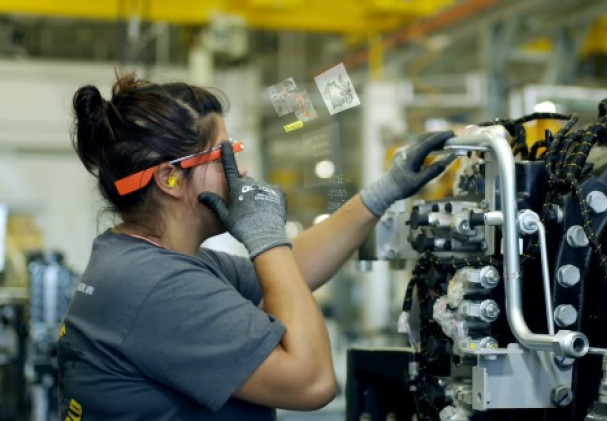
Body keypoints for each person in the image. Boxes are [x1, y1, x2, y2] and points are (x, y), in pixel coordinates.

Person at [57, 71, 455, 419]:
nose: (240, 170)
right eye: (223, 156)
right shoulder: (159, 287)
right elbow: (312, 382)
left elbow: (286, 275)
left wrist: (381, 194)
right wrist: (265, 239)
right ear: (169, 179)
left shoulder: (142, 260)